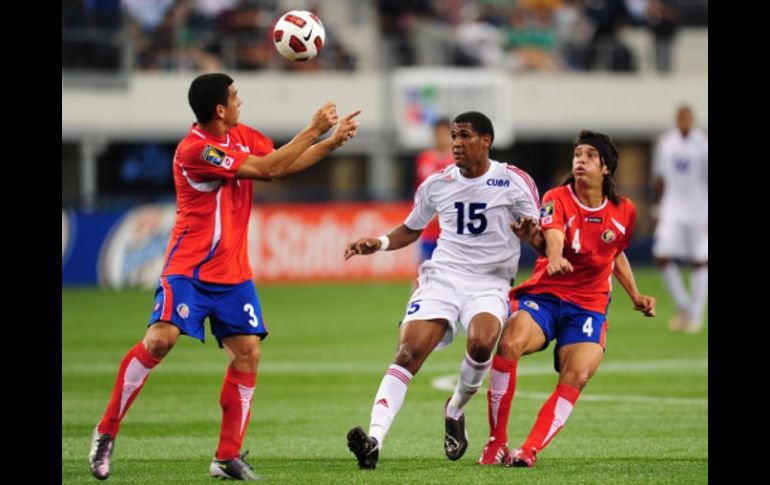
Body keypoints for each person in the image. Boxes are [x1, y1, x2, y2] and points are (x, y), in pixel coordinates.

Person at [88, 72, 361, 481]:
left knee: (248, 351)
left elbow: (282, 165)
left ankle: (227, 456)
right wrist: (314, 128)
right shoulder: (196, 150)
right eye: (235, 97)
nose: (240, 102)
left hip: (233, 274)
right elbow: (268, 169)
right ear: (219, 109)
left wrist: (330, 144)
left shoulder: (244, 135)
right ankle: (106, 431)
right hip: (190, 270)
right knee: (160, 340)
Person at [343, 111, 541, 470]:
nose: (456, 144)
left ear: (486, 140)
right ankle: (374, 440)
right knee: (408, 351)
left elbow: (544, 236)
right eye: (453, 136)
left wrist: (534, 238)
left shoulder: (513, 181)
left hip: (490, 282)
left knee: (482, 343)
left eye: (464, 136)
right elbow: (412, 227)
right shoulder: (437, 183)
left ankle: (454, 410)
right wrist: (380, 243)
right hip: (443, 277)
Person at [478, 129, 656, 467]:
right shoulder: (557, 197)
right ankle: (496, 442)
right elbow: (553, 233)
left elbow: (615, 253)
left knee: (578, 375)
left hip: (589, 305)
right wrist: (555, 256)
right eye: (577, 154)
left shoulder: (624, 211)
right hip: (547, 294)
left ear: (606, 167)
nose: (581, 160)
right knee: (510, 341)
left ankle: (528, 450)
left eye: (590, 155)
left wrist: (636, 294)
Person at [652, 105, 708, 333]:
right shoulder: (666, 143)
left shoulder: (702, 143)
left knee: (700, 261)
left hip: (699, 208)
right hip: (672, 208)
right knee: (662, 255)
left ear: (692, 119)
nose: (684, 121)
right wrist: (658, 207)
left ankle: (696, 316)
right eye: (680, 117)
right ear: (676, 119)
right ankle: (684, 305)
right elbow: (660, 177)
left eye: (687, 117)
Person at [415, 117, 454, 263]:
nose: (441, 138)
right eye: (438, 134)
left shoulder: (458, 161)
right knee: (426, 270)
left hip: (452, 229)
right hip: (429, 228)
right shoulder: (425, 158)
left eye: (444, 134)